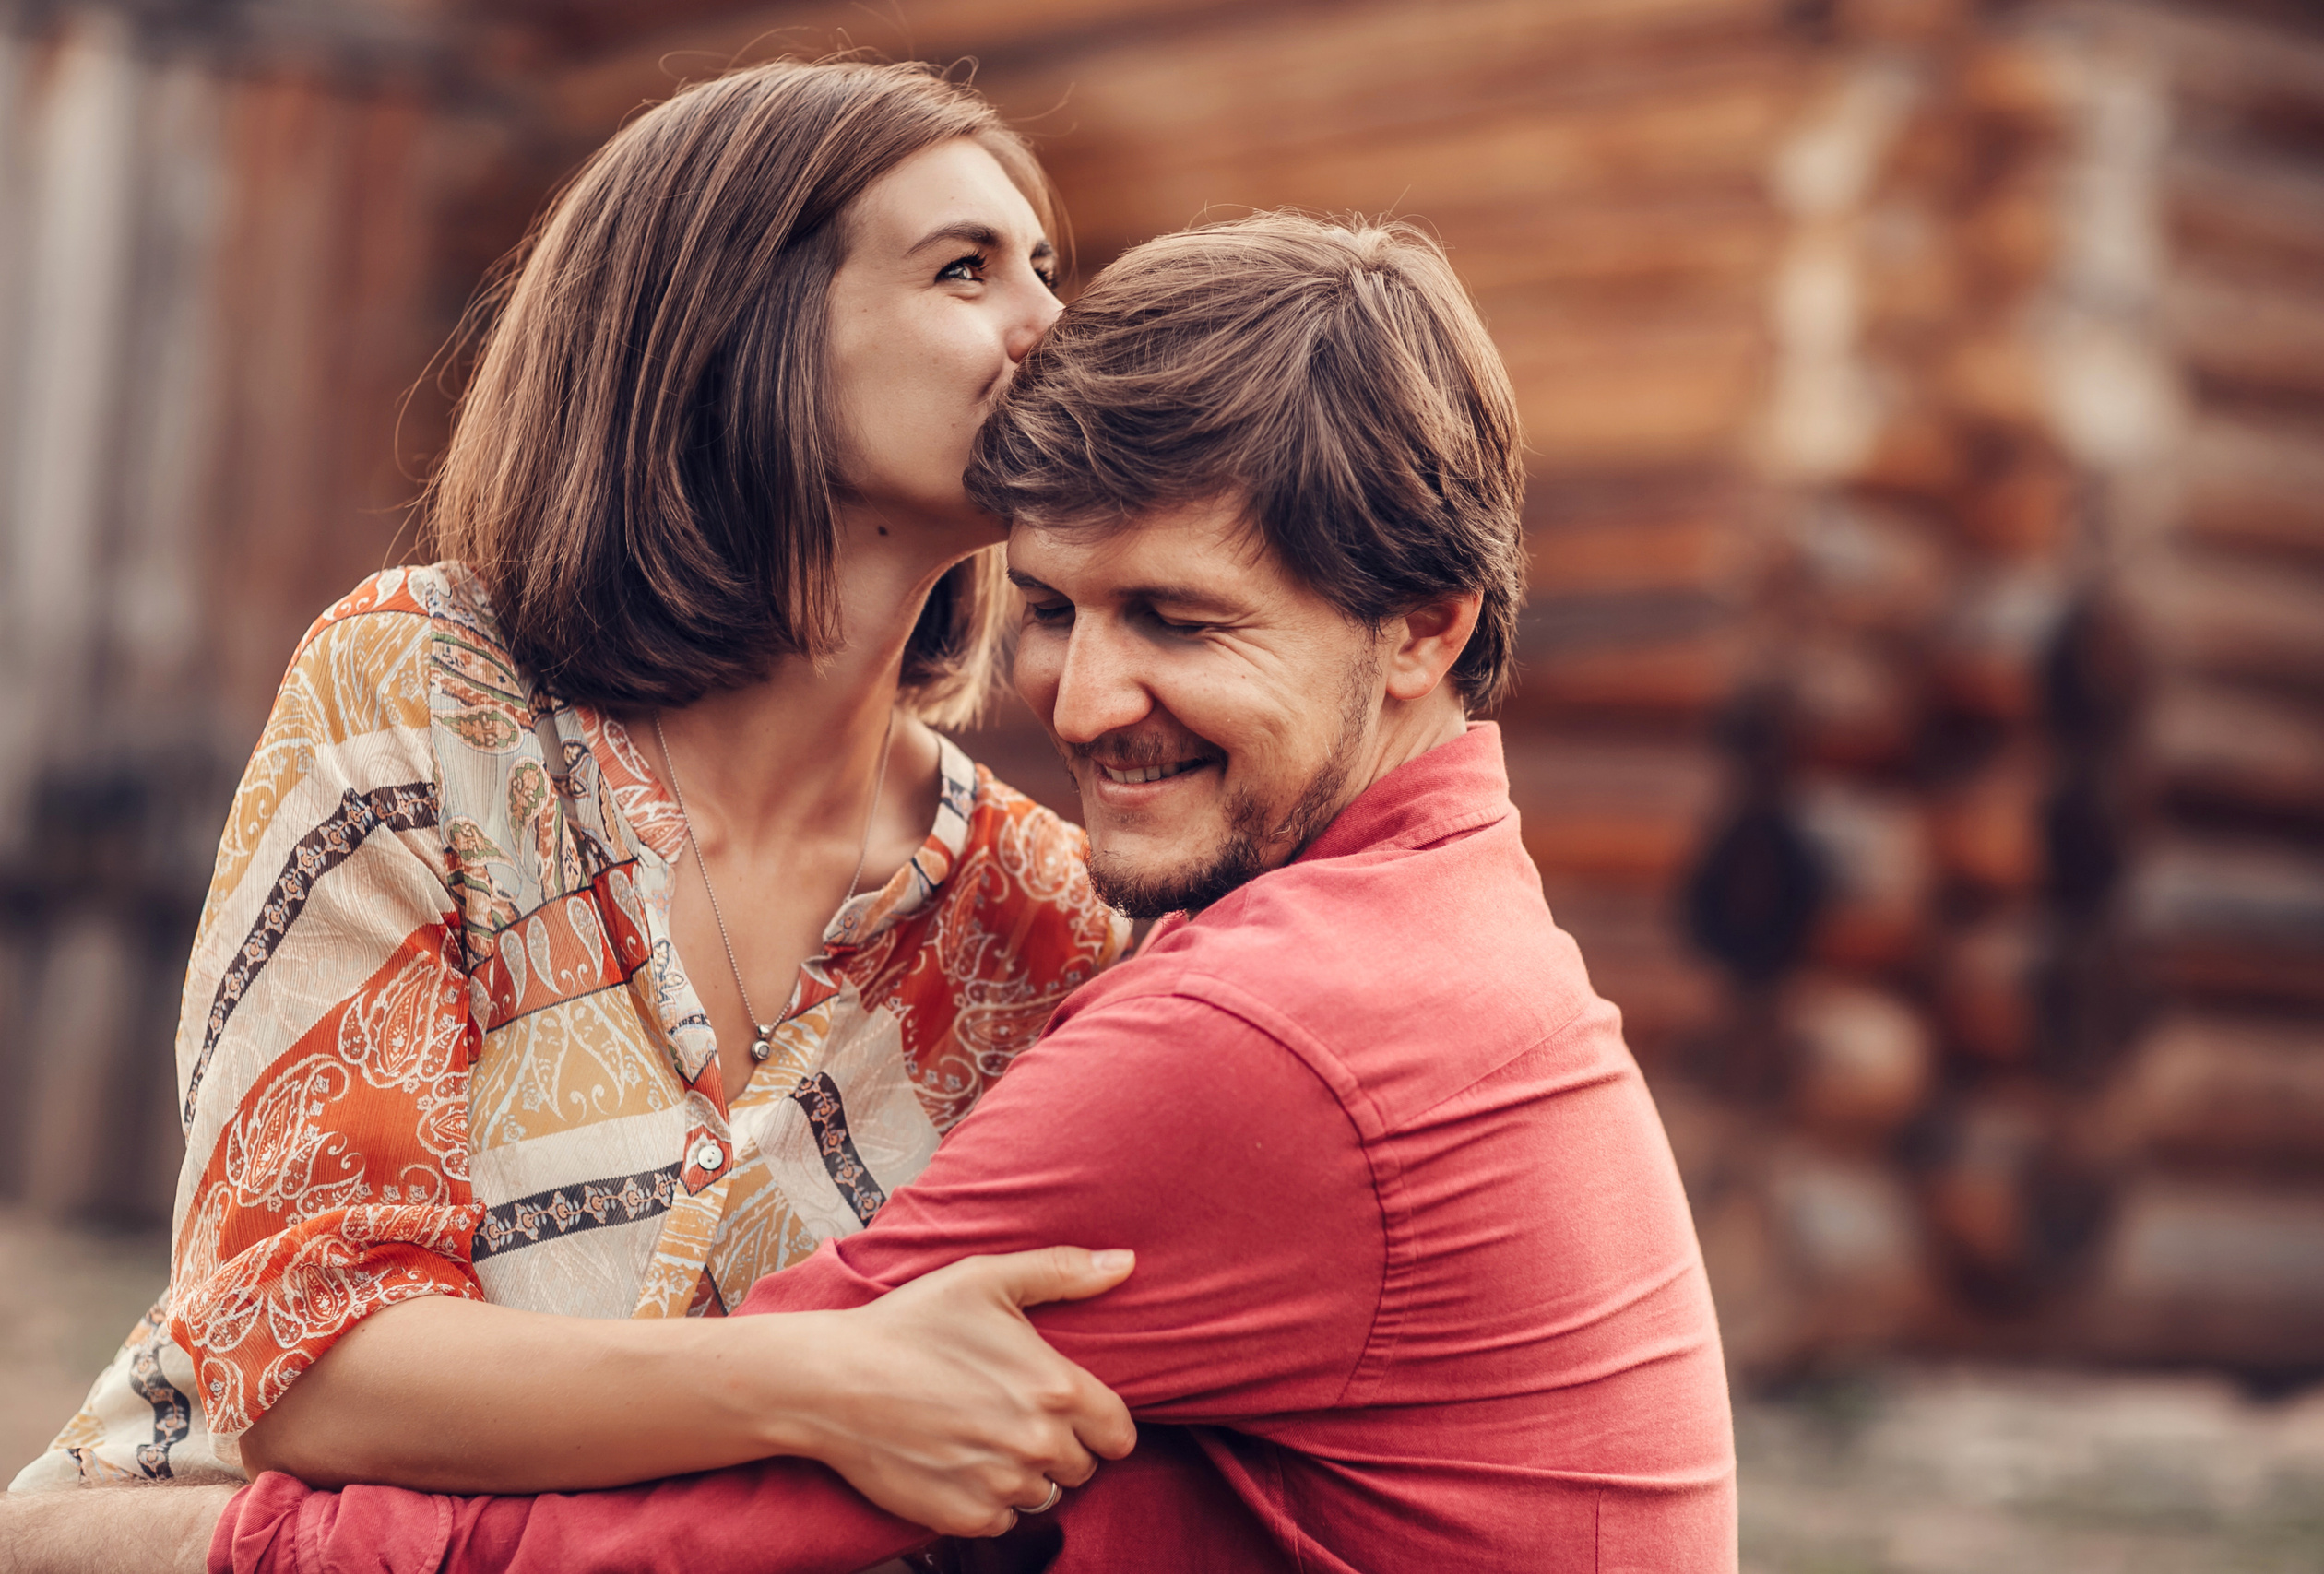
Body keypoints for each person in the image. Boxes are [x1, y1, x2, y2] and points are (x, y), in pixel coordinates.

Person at [203, 212, 1738, 1574]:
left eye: (1181, 622)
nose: (1081, 703)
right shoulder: (1425, 932)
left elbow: (691, 1523)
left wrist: (144, 1546)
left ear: (1421, 628)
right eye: (1058, 610)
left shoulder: (1265, 1030)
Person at [9, 54, 1143, 1544]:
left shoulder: (1040, 914)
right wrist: (819, 1383)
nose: (1053, 329)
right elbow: (313, 1361)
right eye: (964, 269)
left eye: (1049, 270)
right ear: (740, 325)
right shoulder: (423, 692)